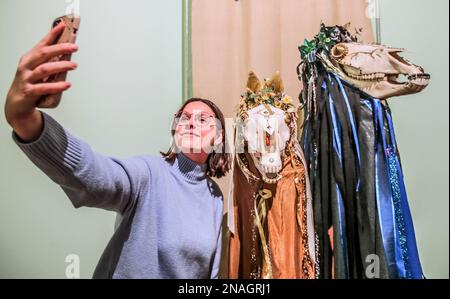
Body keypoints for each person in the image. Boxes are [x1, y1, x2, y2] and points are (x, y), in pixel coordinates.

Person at [4, 21, 231, 279]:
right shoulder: (148, 174)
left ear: (219, 136)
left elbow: (209, 274)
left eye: (203, 119)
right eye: (184, 117)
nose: (190, 122)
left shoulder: (214, 196)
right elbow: (96, 175)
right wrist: (25, 121)